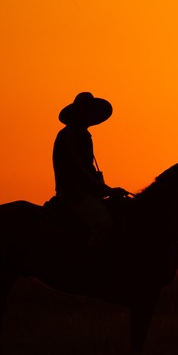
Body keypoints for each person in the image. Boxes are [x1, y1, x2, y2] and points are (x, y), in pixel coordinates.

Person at [52, 92, 128, 249]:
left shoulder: (84, 137)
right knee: (103, 225)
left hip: (86, 194)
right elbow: (78, 169)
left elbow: (88, 170)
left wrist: (104, 189)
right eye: (88, 111)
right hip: (73, 195)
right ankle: (88, 266)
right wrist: (107, 190)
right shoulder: (67, 135)